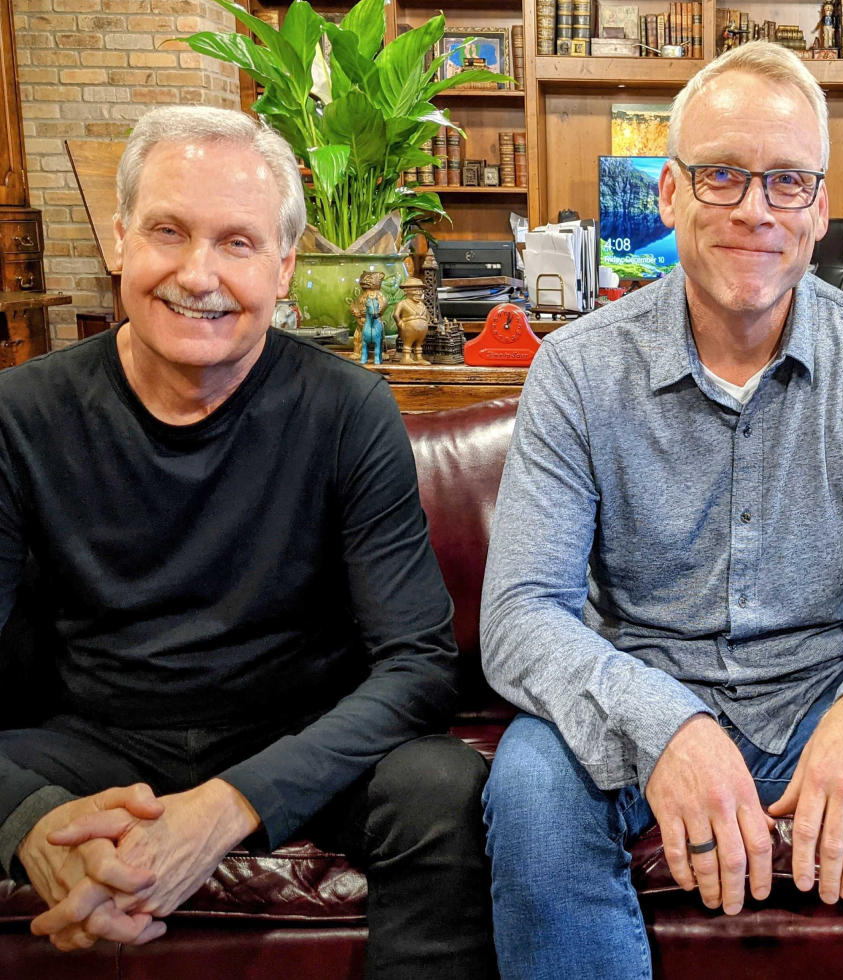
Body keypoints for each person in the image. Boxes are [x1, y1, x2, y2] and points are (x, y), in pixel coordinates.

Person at [480, 40, 843, 980]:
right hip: (638, 698)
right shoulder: (575, 370)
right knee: (529, 780)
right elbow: (521, 616)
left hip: (823, 697)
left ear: (819, 209)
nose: (753, 209)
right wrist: (666, 724)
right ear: (669, 194)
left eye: (787, 182)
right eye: (722, 175)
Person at [0, 106, 495, 978]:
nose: (200, 274)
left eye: (238, 242)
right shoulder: (21, 415)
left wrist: (230, 806)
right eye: (167, 232)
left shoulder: (348, 410)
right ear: (119, 240)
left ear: (285, 265)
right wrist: (29, 821)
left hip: (297, 734)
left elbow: (418, 666)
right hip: (96, 737)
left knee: (442, 790)